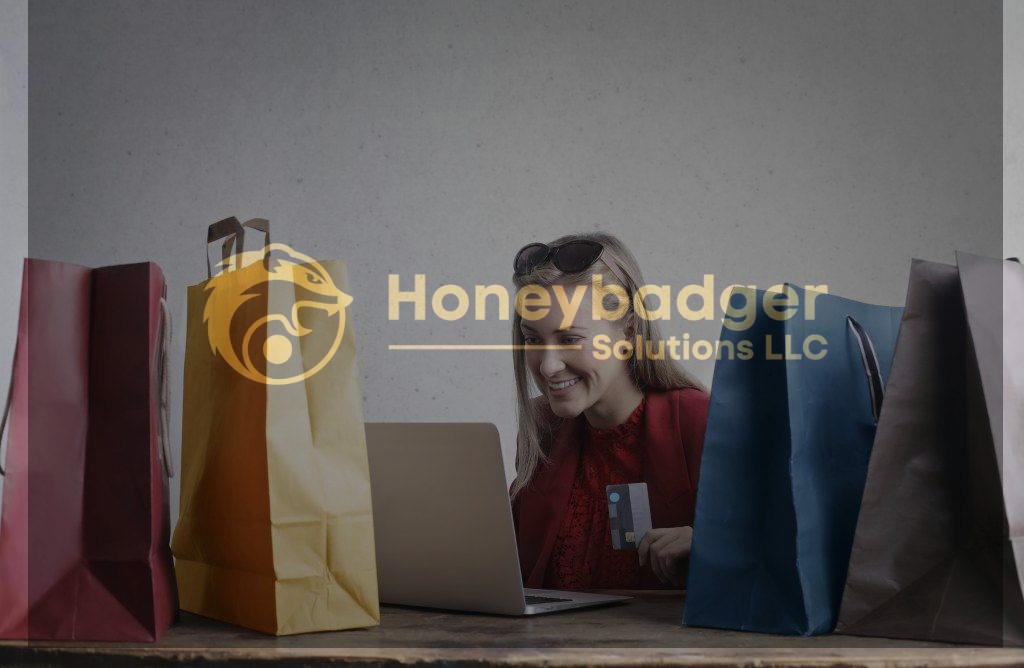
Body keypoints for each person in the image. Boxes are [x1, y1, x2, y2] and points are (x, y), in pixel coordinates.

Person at [509, 232, 710, 590]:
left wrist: (715, 548)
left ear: (629, 332)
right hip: (548, 644)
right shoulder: (544, 428)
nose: (548, 366)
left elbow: (783, 548)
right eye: (533, 339)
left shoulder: (699, 422)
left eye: (570, 339)